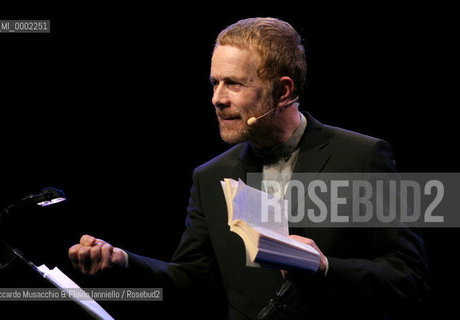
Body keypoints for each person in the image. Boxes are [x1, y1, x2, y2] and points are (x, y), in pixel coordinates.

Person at [68, 17, 430, 319]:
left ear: (283, 91)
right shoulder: (210, 176)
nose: (217, 99)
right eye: (214, 83)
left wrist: (326, 268)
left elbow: (409, 277)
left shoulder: (362, 157)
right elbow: (192, 280)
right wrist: (124, 262)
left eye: (234, 84)